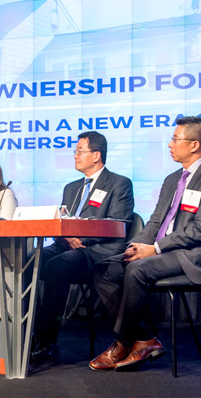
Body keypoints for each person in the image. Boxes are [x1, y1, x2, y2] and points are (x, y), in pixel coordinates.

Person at [90, 116, 201, 372]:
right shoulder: (171, 179)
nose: (170, 144)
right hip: (161, 252)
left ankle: (123, 343)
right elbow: (156, 222)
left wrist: (154, 249)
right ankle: (143, 340)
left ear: (194, 145)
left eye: (176, 139)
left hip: (194, 256)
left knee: (138, 270)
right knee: (105, 268)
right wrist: (136, 246)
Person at [31, 131, 134, 360]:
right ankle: (28, 334)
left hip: (99, 251)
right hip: (67, 247)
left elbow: (117, 223)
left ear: (96, 155)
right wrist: (66, 237)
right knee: (30, 261)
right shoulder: (71, 187)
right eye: (75, 151)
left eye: (80, 151)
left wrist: (82, 239)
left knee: (58, 266)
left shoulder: (119, 184)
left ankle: (46, 341)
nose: (75, 156)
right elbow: (64, 220)